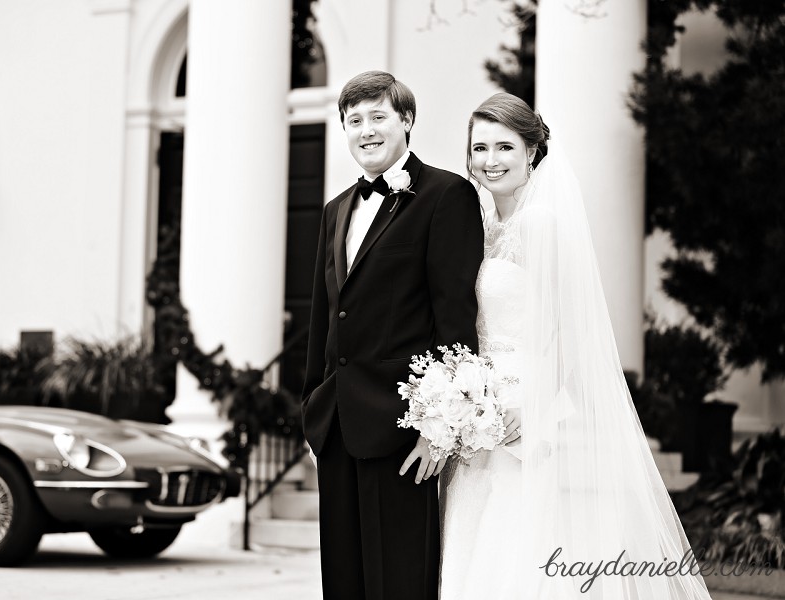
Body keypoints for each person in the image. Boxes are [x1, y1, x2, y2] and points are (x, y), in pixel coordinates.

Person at [439, 92, 713, 599]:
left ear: (532, 153)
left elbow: (573, 334)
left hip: (524, 412)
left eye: (504, 147)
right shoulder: (482, 228)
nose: (489, 160)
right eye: (480, 148)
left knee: (516, 542)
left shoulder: (541, 225)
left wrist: (535, 405)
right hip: (476, 413)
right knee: (474, 536)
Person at [301, 71, 483, 600]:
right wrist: (312, 408)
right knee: (344, 579)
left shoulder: (446, 195)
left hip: (403, 427)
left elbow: (455, 320)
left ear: (406, 121)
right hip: (335, 425)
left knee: (399, 579)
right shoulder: (336, 210)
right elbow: (322, 318)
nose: (366, 130)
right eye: (353, 121)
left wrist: (438, 427)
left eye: (378, 116)